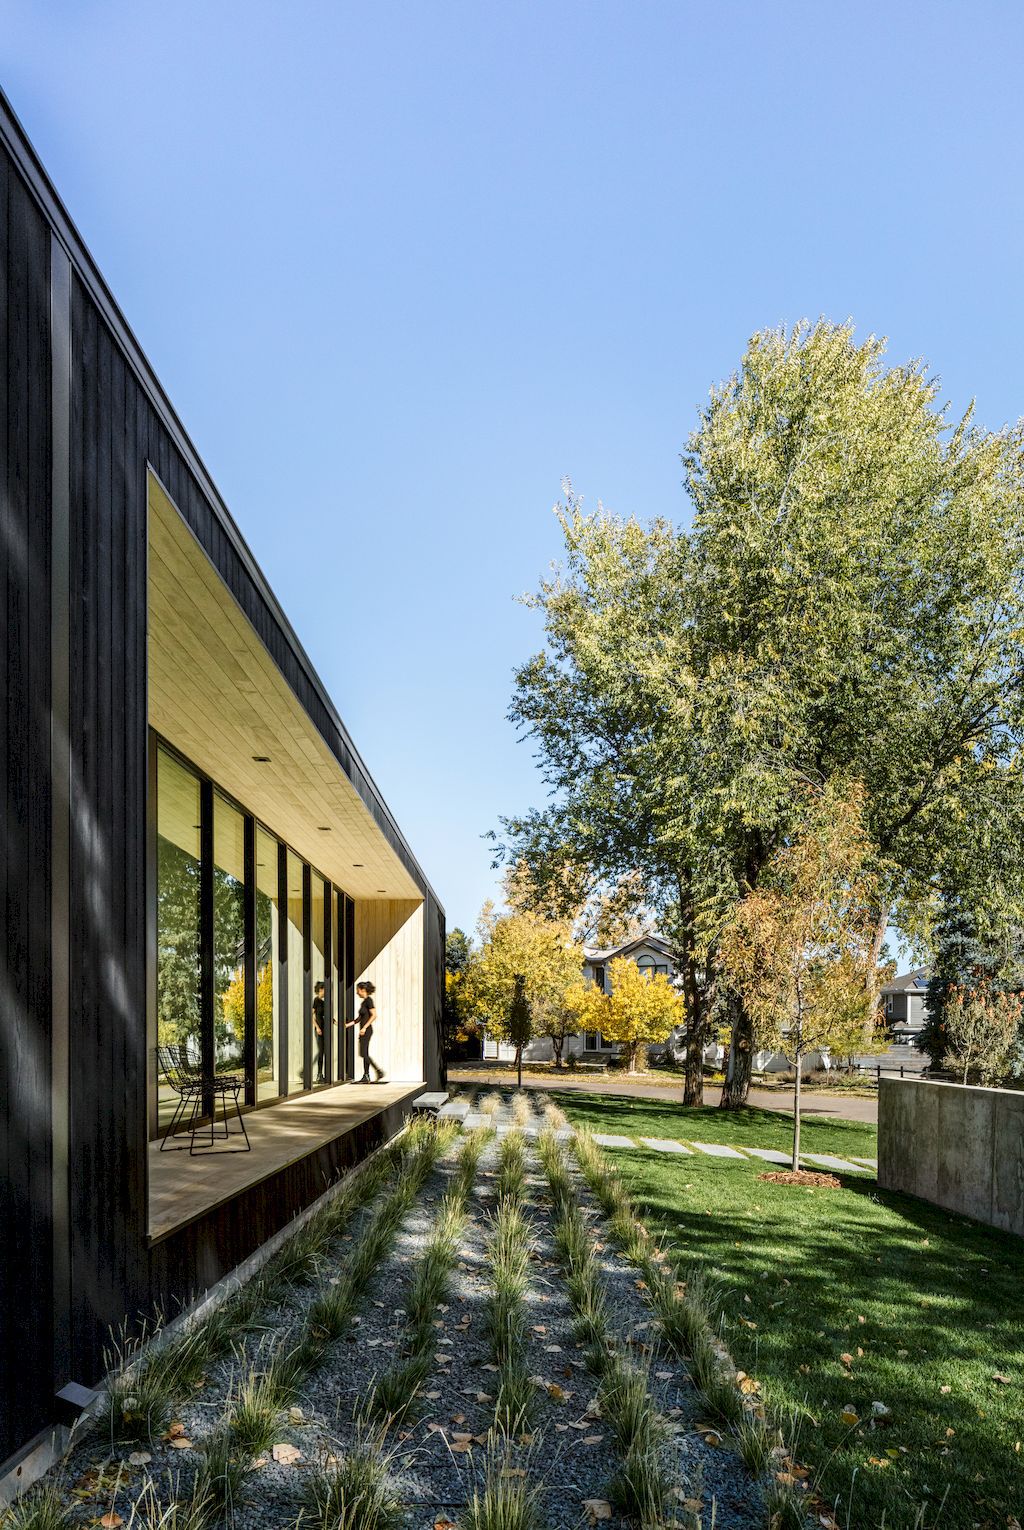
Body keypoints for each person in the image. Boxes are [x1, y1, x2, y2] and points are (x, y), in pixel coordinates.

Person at [346, 980, 385, 1083]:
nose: (356, 992)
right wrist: (347, 1025)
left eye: (357, 990)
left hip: (366, 1031)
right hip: (363, 1031)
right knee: (364, 1053)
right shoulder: (364, 1002)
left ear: (362, 990)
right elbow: (359, 1018)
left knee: (363, 1053)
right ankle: (366, 1075)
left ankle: (378, 1071)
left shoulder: (369, 1000)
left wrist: (364, 1028)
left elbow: (374, 1015)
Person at [312, 980, 326, 1083]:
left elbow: (327, 1016)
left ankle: (321, 1074)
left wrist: (337, 1023)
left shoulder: (323, 1002)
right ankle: (319, 1074)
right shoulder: (316, 1001)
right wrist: (317, 1027)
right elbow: (311, 1015)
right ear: (320, 990)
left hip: (324, 1029)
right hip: (319, 1029)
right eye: (324, 989)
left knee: (323, 1052)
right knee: (321, 1051)